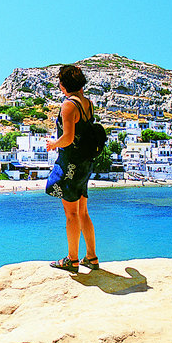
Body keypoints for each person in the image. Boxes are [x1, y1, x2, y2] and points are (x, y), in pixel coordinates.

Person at [46, 64, 99, 272]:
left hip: (71, 165)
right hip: (85, 163)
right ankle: (91, 257)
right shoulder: (88, 103)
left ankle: (72, 259)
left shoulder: (68, 105)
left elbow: (67, 138)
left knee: (71, 215)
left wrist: (53, 144)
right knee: (83, 211)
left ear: (63, 84)